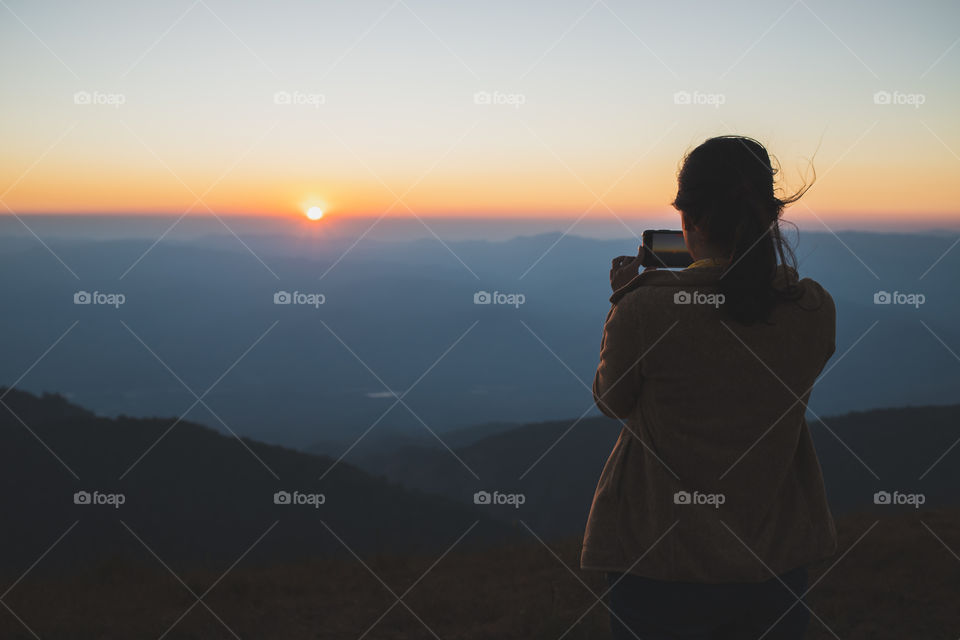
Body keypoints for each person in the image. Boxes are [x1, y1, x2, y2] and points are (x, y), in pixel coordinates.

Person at [580, 136, 836, 639]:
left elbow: (612, 401)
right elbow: (750, 306)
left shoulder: (645, 311)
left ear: (690, 221)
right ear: (770, 216)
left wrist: (625, 301)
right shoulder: (813, 310)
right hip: (773, 562)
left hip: (658, 562)